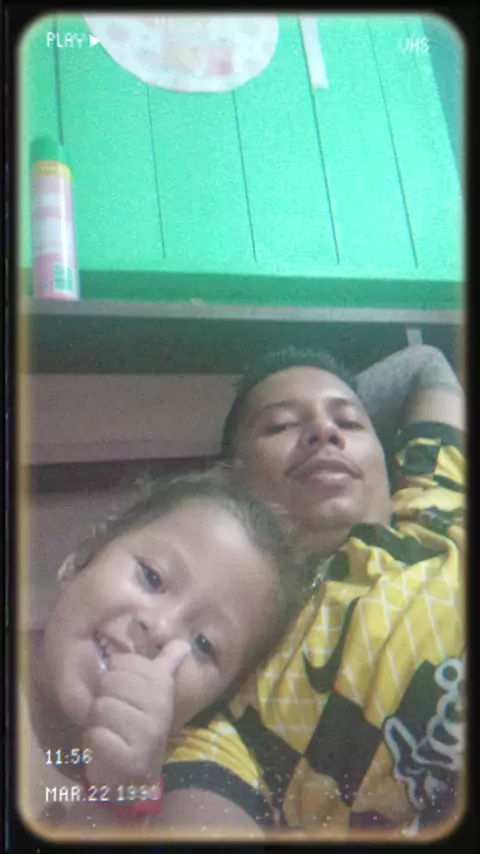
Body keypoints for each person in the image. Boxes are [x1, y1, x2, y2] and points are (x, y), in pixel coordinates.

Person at [156, 344, 465, 841]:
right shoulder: (236, 689)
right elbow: (201, 804)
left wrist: (316, 427)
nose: (326, 431)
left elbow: (425, 363)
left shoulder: (439, 505)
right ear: (230, 482)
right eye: (280, 426)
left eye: (350, 423)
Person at [19, 471, 308, 832]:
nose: (162, 629)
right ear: (83, 557)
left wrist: (118, 798)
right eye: (152, 577)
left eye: (204, 644)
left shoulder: (167, 805)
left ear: (210, 706)